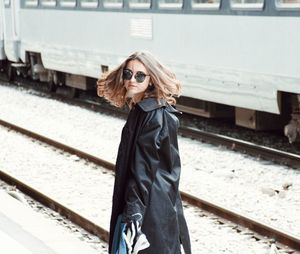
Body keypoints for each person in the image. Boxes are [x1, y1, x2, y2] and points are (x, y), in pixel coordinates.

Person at [97, 51, 191, 254]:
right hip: (157, 204)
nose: (132, 80)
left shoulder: (152, 115)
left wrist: (133, 215)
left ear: (151, 80)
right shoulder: (148, 111)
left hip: (149, 209)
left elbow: (142, 171)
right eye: (128, 73)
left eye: (140, 75)